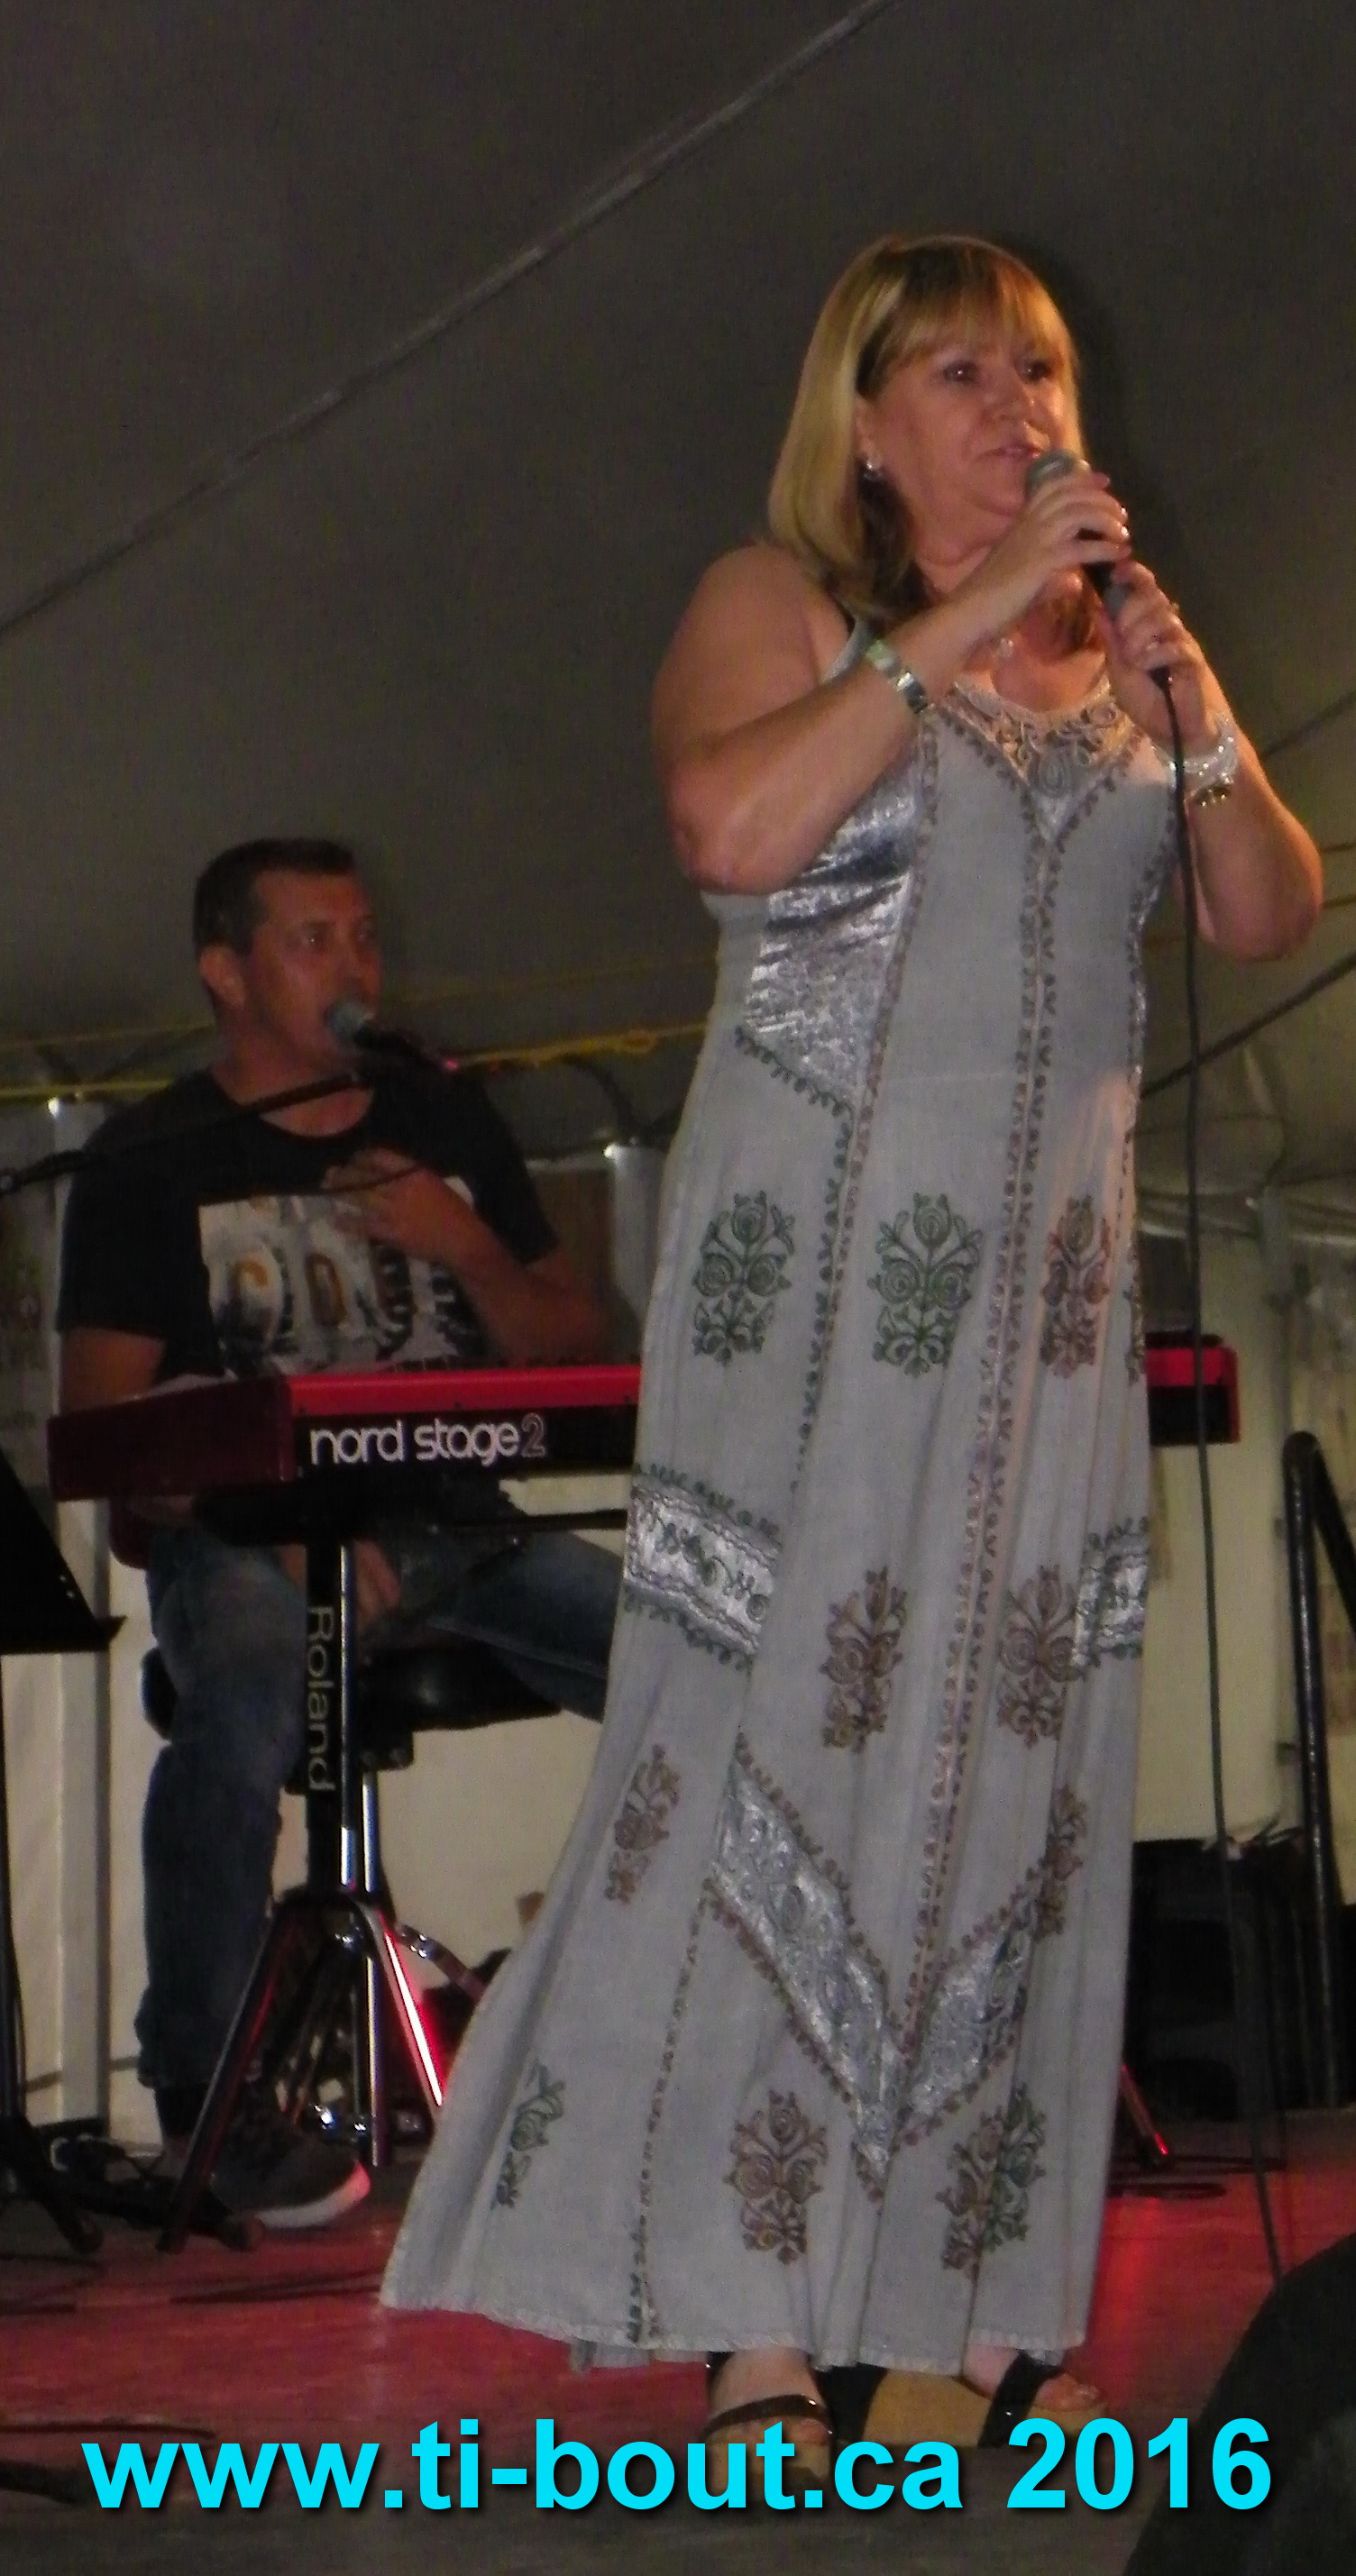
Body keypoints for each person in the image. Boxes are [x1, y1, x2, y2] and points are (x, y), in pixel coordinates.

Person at [381, 236, 1321, 2468]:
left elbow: (1265, 907)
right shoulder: (783, 604)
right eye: (964, 375)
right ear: (867, 427)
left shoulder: (1116, 648)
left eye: (1041, 369)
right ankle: (749, 2312)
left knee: (1005, 1793)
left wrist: (1189, 702)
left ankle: (953, 2314)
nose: (1020, 407)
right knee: (781, 1755)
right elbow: (724, 825)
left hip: (1041, 1326)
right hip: (814, 1304)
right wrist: (964, 616)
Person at [58, 838, 621, 2228]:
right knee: (243, 1698)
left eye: (364, 935)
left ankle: (657, 2019)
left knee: (690, 1650)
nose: (356, 963)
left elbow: (571, 1343)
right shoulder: (148, 1159)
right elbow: (106, 1439)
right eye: (313, 939)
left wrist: (462, 1242)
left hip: (452, 1526)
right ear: (226, 970)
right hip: (247, 1545)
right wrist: (280, 1525)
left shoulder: (444, 1122)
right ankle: (207, 2091)